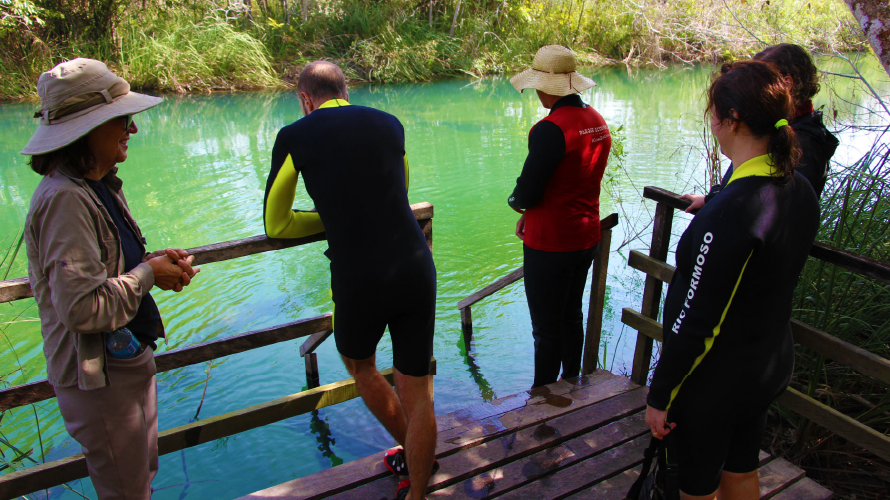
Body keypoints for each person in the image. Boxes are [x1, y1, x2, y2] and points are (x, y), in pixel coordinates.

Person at [21, 58, 199, 499]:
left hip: (123, 371)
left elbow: (103, 269)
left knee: (138, 482)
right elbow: (82, 308)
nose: (132, 129)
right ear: (86, 128)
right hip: (99, 383)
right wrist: (146, 274)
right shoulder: (65, 199)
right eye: (121, 119)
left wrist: (153, 265)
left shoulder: (95, 184)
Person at [645, 60, 820, 499]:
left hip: (713, 383)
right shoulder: (797, 188)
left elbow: (695, 318)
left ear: (732, 120)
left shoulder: (726, 217)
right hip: (764, 366)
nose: (714, 125)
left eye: (715, 116)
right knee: (741, 468)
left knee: (696, 485)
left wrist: (661, 394)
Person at [263, 60, 437, 500]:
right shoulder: (389, 124)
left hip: (361, 274)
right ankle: (419, 484)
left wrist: (332, 219)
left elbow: (277, 224)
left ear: (305, 99)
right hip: (416, 264)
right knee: (418, 389)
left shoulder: (294, 136)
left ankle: (413, 454)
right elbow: (400, 195)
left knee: (361, 367)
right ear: (346, 90)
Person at [507, 45, 612, 388]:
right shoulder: (596, 121)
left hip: (551, 242)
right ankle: (571, 382)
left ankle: (542, 399)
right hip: (586, 237)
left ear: (547, 87)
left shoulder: (550, 129)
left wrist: (517, 203)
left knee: (546, 327)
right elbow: (570, 180)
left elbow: (528, 190)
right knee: (571, 314)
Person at [681, 43, 838, 213]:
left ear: (786, 84)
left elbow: (775, 212)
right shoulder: (775, 130)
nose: (750, 88)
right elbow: (747, 183)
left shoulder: (804, 144)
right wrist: (712, 198)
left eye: (761, 79)